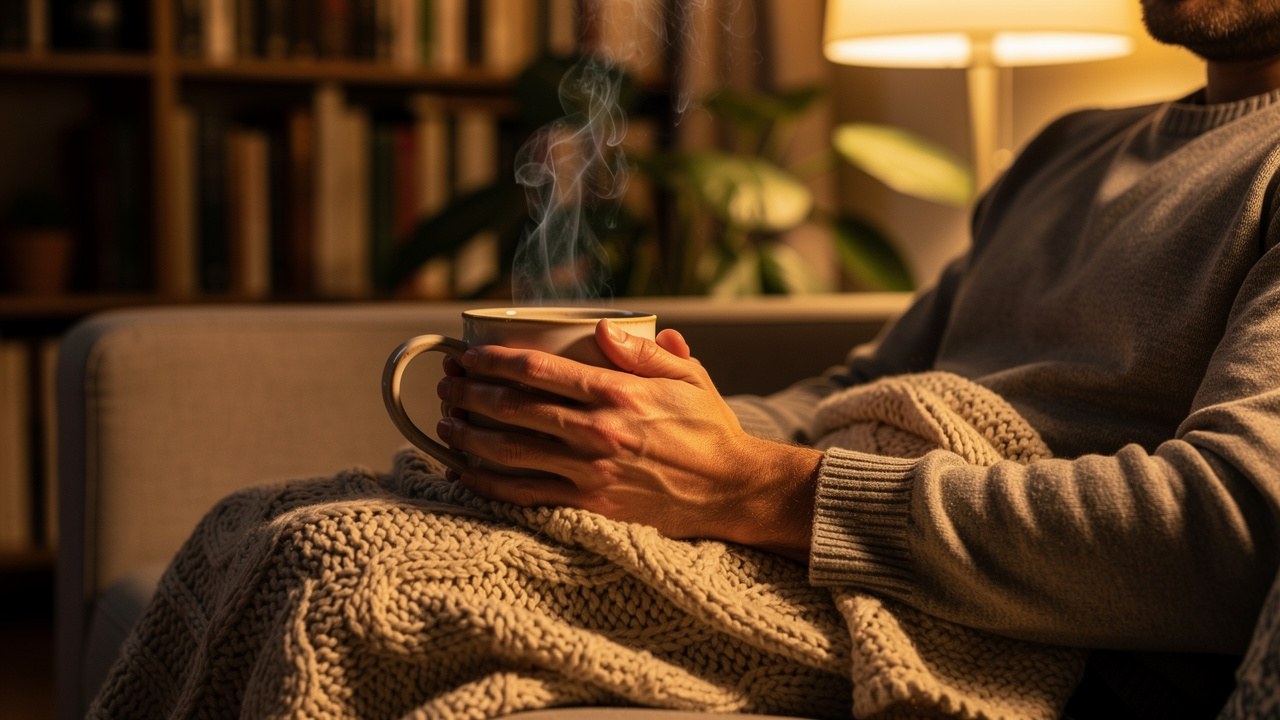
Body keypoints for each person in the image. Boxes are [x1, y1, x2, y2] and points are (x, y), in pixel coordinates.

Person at [432, 0, 1280, 716]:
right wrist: (623, 428)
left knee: (380, 586)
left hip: (1009, 634)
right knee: (357, 522)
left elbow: (1231, 532)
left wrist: (750, 485)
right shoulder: (1068, 151)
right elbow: (857, 392)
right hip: (844, 546)